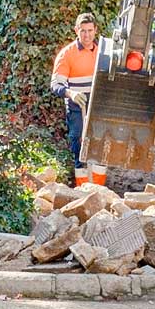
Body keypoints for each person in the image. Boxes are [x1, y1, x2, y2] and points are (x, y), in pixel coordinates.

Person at [50, 12, 105, 186]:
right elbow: (56, 85)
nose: (86, 35)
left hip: (97, 105)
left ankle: (99, 189)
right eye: (83, 31)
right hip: (76, 106)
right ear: (76, 30)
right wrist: (71, 93)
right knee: (79, 147)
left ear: (95, 30)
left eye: (90, 30)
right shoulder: (67, 54)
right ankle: (83, 190)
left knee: (100, 147)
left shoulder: (102, 52)